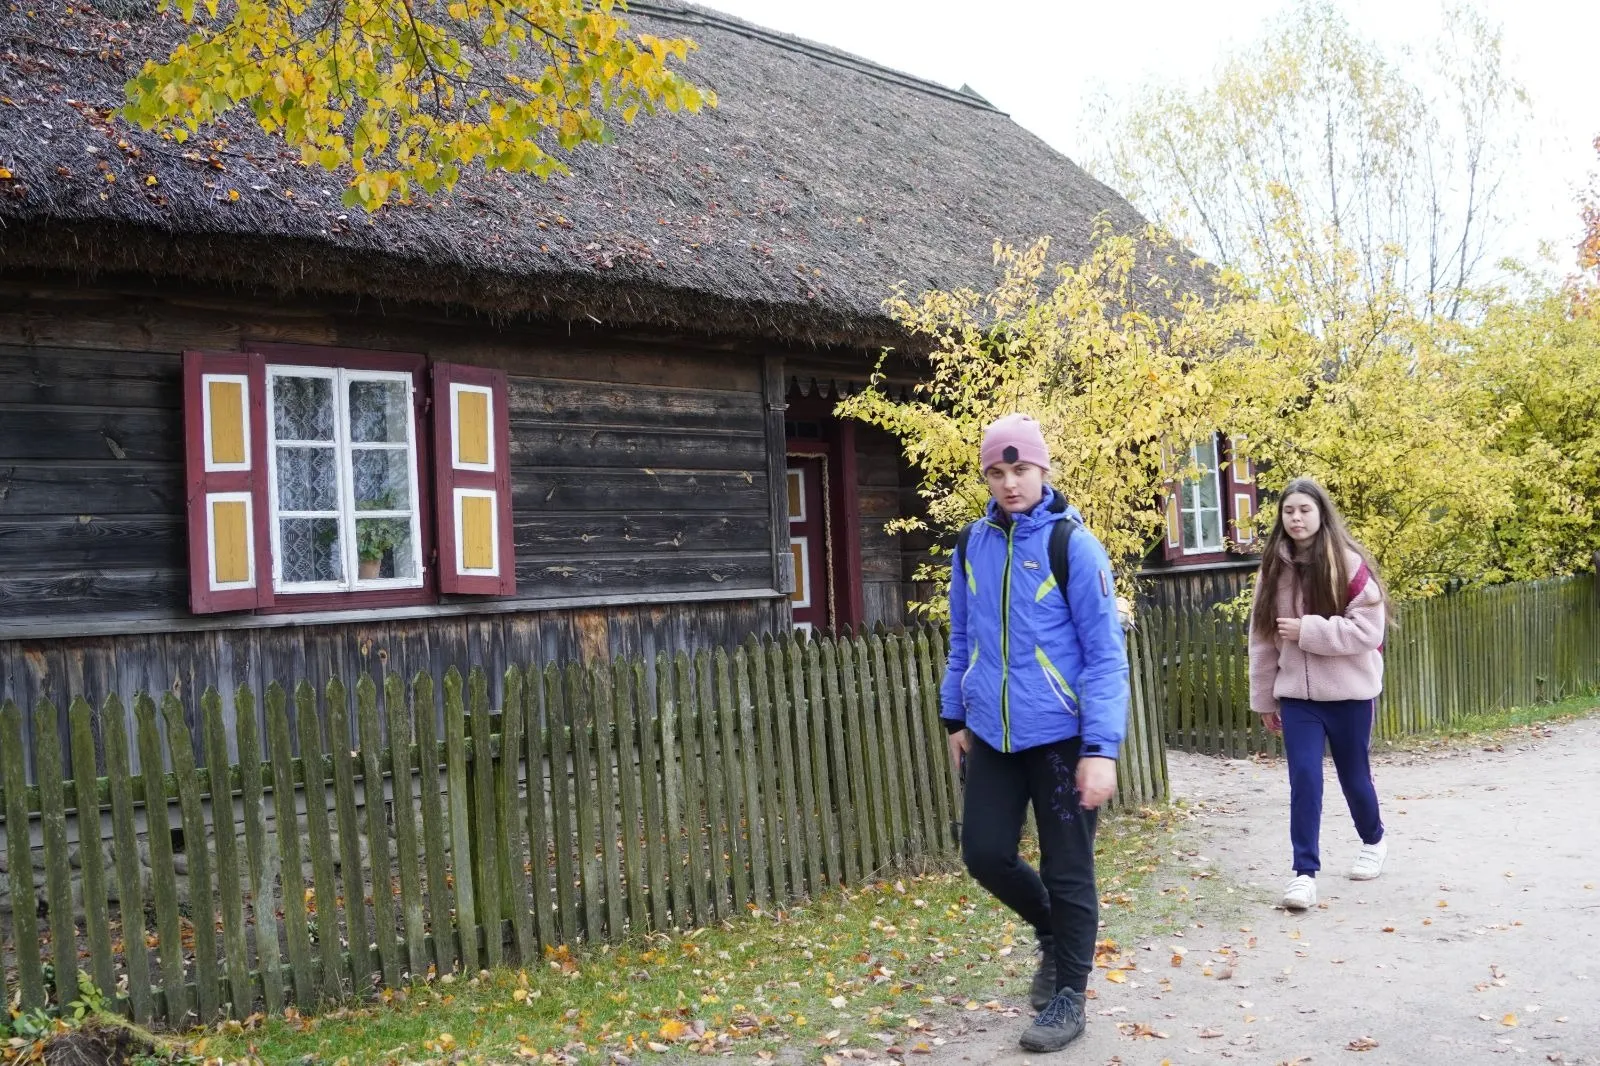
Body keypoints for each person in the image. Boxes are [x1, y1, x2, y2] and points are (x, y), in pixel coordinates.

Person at [940, 413, 1129, 1054]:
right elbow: (961, 639)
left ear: (1043, 469)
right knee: (984, 853)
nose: (1009, 482)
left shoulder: (1073, 545)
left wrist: (1101, 750)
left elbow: (1106, 656)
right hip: (992, 734)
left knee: (1068, 867)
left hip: (1062, 739)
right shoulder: (971, 545)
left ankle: (1068, 995)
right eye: (996, 471)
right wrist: (956, 719)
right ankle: (1055, 931)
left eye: (1019, 469)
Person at [1247, 477, 1389, 912]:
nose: (1296, 518)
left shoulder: (1349, 565)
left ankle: (1374, 839)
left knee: (1354, 776)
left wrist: (1308, 630)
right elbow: (1262, 640)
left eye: (1304, 510)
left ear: (1321, 514)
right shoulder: (1272, 570)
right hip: (1298, 698)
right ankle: (1303, 874)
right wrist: (1266, 700)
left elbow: (1369, 631)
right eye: (1289, 511)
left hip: (1349, 693)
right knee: (1304, 779)